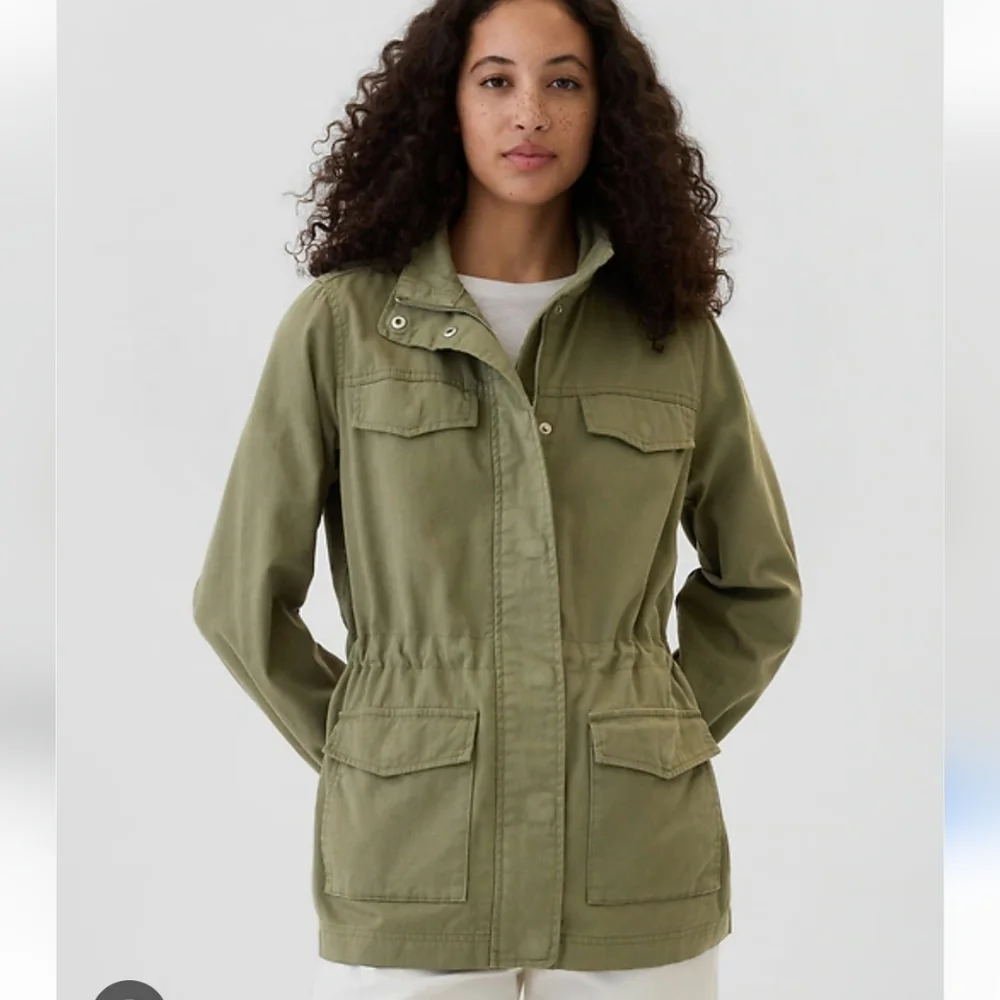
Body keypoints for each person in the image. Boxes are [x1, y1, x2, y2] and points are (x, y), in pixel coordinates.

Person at [192, 0, 803, 997]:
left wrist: (651, 729)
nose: (530, 112)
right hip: (414, 863)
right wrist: (373, 746)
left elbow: (761, 586)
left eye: (563, 81)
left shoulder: (671, 337)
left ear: (606, 110)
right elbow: (236, 601)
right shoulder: (342, 328)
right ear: (445, 102)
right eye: (496, 81)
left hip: (633, 867)